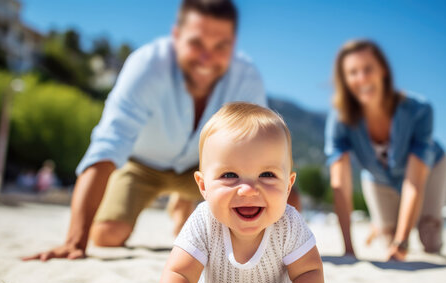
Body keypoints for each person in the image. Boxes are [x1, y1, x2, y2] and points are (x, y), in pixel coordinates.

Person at [23, 0, 269, 261]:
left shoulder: (247, 76)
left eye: (221, 46)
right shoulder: (147, 65)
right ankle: (176, 205)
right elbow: (107, 145)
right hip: (142, 165)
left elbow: (259, 148)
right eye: (196, 44)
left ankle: (183, 203)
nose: (206, 59)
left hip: (204, 170)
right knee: (108, 235)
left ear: (233, 43)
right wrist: (75, 241)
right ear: (176, 36)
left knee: (290, 202)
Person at [132, 103, 324, 283]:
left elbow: (309, 271)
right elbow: (179, 273)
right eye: (230, 175)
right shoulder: (204, 221)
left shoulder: (289, 223)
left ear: (288, 185)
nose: (248, 190)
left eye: (267, 175)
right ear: (203, 186)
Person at [325, 39, 446, 261]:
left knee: (430, 242)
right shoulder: (340, 118)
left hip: (429, 170)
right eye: (353, 72)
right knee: (387, 240)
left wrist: (402, 244)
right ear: (344, 80)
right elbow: (340, 183)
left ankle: (425, 223)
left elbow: (414, 182)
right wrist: (349, 249)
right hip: (378, 177)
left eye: (368, 69)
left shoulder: (419, 109)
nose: (361, 78)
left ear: (382, 69)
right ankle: (380, 226)